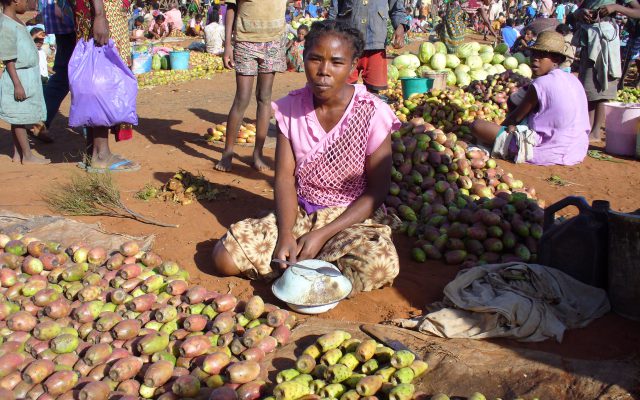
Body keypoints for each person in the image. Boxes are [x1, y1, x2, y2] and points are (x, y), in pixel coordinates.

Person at [211, 20, 402, 294]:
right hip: (300, 211)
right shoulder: (290, 109)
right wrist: (287, 234)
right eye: (315, 59)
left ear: (353, 66)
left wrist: (323, 235)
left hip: (350, 218)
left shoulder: (373, 113)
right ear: (303, 58)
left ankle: (307, 262)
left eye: (336, 63)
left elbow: (377, 190)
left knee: (376, 264)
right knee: (224, 257)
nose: (324, 71)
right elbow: (285, 179)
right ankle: (310, 262)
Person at [470, 32, 590, 166]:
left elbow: (515, 118)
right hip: (578, 149)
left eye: (541, 55)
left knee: (477, 126)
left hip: (549, 151)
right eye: (534, 54)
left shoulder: (541, 83)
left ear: (556, 58)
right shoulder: (574, 79)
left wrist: (498, 132)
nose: (535, 59)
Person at [215, 0, 287, 172]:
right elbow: (231, 7)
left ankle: (258, 154)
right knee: (242, 98)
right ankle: (227, 153)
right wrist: (227, 45)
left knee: (264, 97)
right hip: (245, 40)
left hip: (274, 41)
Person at [73, 0, 140, 171]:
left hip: (93, 10)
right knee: (105, 77)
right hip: (103, 9)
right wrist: (100, 14)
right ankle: (101, 154)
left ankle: (92, 151)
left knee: (92, 72)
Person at [572, 0, 640, 141]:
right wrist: (581, 13)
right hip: (590, 39)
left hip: (605, 39)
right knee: (588, 85)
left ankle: (596, 131)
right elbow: (576, 12)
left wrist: (615, 7)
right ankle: (589, 128)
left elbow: (638, 12)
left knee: (602, 84)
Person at [0, 0, 50, 164]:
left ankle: (17, 154)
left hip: (26, 76)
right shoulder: (6, 24)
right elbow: (9, 59)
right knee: (20, 118)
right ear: (15, 1)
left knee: (18, 117)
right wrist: (17, 84)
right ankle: (27, 156)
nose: (28, 3)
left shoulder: (15, 21)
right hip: (19, 77)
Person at [330, 0, 407, 93]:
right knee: (341, 89)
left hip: (376, 43)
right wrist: (328, 31)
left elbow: (397, 8)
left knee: (373, 91)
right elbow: (334, 8)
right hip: (347, 43)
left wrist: (400, 26)